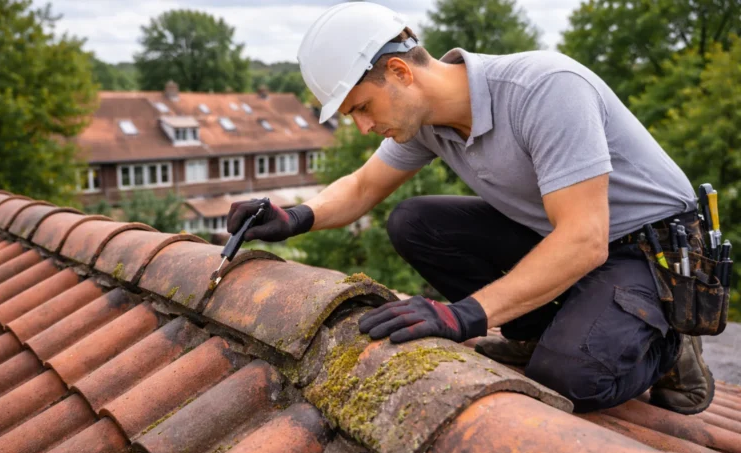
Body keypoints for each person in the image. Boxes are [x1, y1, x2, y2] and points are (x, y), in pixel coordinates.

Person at [225, 2, 714, 414]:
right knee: (414, 222)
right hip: (564, 235)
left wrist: (464, 316)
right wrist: (291, 218)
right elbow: (361, 186)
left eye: (362, 108)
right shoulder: (426, 121)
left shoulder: (545, 89)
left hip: (650, 252)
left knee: (567, 379)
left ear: (400, 72)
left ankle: (669, 341)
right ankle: (533, 333)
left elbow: (585, 240)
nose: (363, 127)